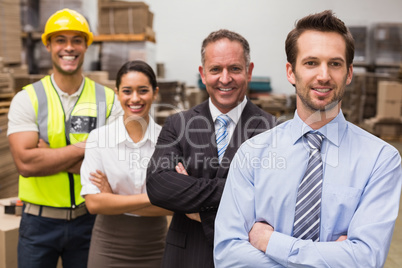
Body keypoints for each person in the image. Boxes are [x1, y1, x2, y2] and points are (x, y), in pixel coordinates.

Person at [214, 10, 402, 268]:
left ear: (349, 73)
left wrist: (271, 242)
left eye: (335, 64)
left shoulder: (381, 160)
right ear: (291, 72)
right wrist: (334, 257)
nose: (323, 75)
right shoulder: (252, 154)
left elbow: (366, 260)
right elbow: (227, 256)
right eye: (311, 63)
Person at [146, 29, 277, 267]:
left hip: (245, 258)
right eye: (216, 69)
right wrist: (240, 189)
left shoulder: (271, 130)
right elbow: (158, 186)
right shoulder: (179, 124)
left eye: (235, 69)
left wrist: (197, 209)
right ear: (203, 73)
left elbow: (270, 200)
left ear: (249, 71)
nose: (225, 79)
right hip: (186, 257)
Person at [7, 8, 123, 268]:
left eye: (77, 40)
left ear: (86, 46)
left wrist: (48, 154)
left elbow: (115, 168)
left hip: (90, 220)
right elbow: (26, 164)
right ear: (48, 45)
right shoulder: (27, 98)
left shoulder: (108, 100)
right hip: (38, 224)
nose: (68, 47)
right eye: (60, 39)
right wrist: (88, 148)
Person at [80, 60, 172, 268]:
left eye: (143, 91)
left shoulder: (169, 141)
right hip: (108, 246)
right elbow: (94, 204)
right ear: (117, 93)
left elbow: (176, 206)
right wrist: (154, 197)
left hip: (156, 245)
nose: (135, 98)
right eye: (127, 91)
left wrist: (112, 200)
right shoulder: (99, 139)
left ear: (155, 93)